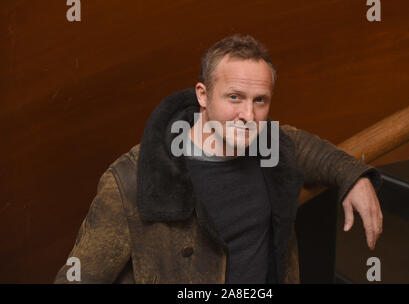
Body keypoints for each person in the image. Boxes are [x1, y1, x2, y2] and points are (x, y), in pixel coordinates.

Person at [54, 34, 383, 284]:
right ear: (203, 95)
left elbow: (307, 146)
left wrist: (354, 175)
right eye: (235, 97)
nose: (248, 115)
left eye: (260, 101)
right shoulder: (130, 180)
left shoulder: (271, 144)